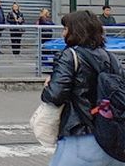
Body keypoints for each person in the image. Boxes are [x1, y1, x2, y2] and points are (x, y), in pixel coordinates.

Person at [42, 10, 125, 166]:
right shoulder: (112, 57)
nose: (63, 33)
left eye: (65, 29)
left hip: (80, 136)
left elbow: (55, 95)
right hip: (112, 139)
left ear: (75, 31)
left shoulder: (69, 55)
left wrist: (48, 86)